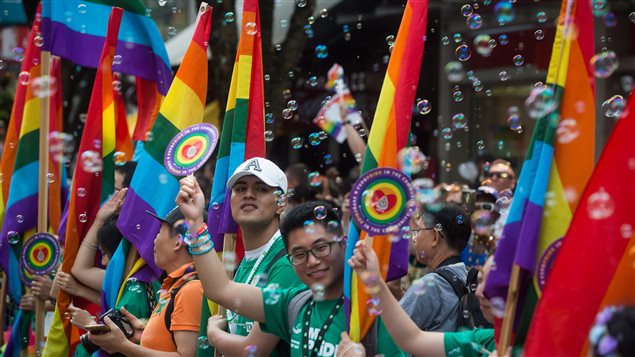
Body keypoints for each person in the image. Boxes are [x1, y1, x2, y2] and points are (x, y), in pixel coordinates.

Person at [175, 178, 405, 356]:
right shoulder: (293, 306)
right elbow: (221, 290)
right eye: (300, 254)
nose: (313, 261)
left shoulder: (374, 313)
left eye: (321, 247)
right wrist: (195, 223)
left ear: (343, 243)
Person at [205, 157, 304, 356]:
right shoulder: (246, 262)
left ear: (281, 203)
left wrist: (214, 334)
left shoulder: (287, 263)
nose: (249, 195)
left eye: (261, 189)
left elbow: (253, 351)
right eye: (240, 189)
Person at [341, 242, 496, 357]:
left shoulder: (434, 283)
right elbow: (412, 338)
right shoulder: (484, 339)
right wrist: (375, 282)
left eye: (494, 283)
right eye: (481, 280)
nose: (480, 292)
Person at [86, 206, 204, 356]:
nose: (154, 240)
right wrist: (141, 335)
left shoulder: (190, 288)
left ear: (178, 242)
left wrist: (124, 346)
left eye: (160, 231)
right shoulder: (175, 286)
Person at [401, 204, 471, 332]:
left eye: (418, 230)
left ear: (434, 237)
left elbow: (392, 333)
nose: (414, 238)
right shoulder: (467, 274)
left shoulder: (431, 284)